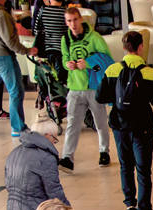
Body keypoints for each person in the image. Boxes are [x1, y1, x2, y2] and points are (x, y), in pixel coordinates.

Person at [96, 30, 153, 210]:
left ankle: (131, 207)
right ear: (141, 47)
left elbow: (100, 97)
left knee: (125, 166)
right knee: (143, 171)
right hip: (141, 129)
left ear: (123, 47)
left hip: (119, 128)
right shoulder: (149, 73)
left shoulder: (112, 70)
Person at [58, 7, 112, 173]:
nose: (72, 24)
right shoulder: (65, 39)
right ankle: (67, 157)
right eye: (68, 21)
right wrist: (68, 64)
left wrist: (88, 63)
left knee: (100, 121)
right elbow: (65, 57)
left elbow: (108, 59)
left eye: (74, 19)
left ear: (80, 19)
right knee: (72, 123)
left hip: (93, 86)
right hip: (74, 86)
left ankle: (104, 151)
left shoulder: (94, 37)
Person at [6, 112, 70, 210]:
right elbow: (54, 191)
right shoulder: (45, 157)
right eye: (55, 139)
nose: (54, 142)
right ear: (47, 136)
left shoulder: (15, 152)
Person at [0, 0, 39, 139]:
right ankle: (18, 128)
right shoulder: (1, 14)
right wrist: (28, 51)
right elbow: (10, 42)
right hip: (3, 57)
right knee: (15, 91)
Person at [33, 0, 67, 83]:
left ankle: (48, 94)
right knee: (61, 79)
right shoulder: (66, 12)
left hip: (47, 50)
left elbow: (36, 30)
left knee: (48, 77)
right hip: (62, 50)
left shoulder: (43, 10)